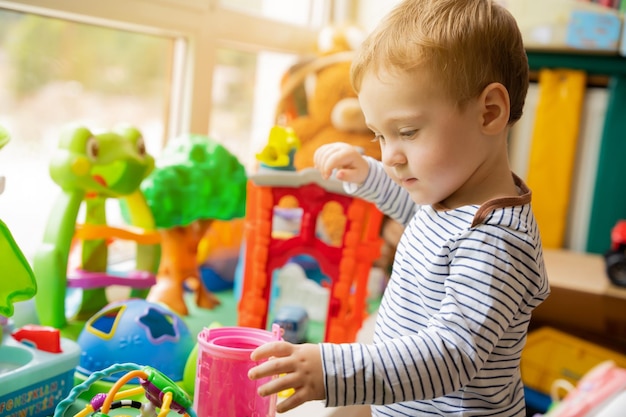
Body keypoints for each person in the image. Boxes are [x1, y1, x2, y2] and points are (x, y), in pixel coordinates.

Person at [248, 0, 550, 415]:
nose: (390, 154)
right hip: (402, 402)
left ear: (489, 112)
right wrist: (368, 175)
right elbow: (421, 219)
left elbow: (450, 355)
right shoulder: (452, 198)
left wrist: (333, 370)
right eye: (380, 135)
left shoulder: (497, 242)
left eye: (406, 131)